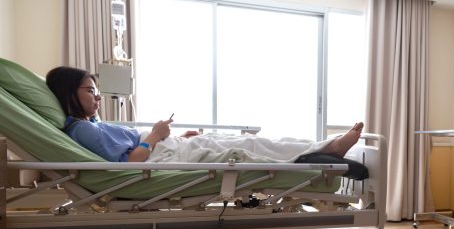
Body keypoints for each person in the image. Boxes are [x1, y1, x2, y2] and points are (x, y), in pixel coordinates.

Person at [45, 66, 364, 166]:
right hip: (157, 159)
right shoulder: (82, 131)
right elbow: (130, 164)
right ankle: (327, 149)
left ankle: (324, 146)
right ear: (69, 94)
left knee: (245, 141)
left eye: (96, 90)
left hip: (165, 150)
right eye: (89, 91)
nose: (97, 96)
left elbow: (133, 150)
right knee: (246, 149)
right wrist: (155, 136)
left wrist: (176, 138)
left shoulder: (90, 125)